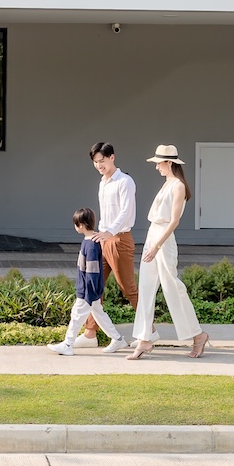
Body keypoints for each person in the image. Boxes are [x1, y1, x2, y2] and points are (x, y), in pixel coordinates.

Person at [127, 144, 208, 359]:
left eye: (159, 163)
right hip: (153, 234)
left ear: (169, 163)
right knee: (145, 287)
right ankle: (144, 339)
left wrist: (156, 246)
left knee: (172, 287)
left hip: (163, 239)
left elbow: (174, 221)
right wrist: (152, 244)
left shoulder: (178, 186)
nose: (157, 167)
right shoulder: (167, 184)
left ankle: (198, 335)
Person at [78, 141, 138, 346]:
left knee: (128, 289)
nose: (99, 165)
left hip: (119, 239)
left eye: (102, 161)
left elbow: (126, 212)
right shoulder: (102, 182)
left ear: (112, 157)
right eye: (95, 162)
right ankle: (90, 334)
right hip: (103, 238)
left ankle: (148, 332)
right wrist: (99, 233)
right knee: (94, 286)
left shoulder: (125, 181)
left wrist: (109, 232)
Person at [52, 208, 130, 355]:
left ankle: (68, 344)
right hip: (90, 291)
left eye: (76, 224)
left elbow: (92, 272)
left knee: (77, 316)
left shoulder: (91, 244)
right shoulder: (90, 241)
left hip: (87, 291)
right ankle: (118, 339)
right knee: (99, 315)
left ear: (81, 225)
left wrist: (89, 292)